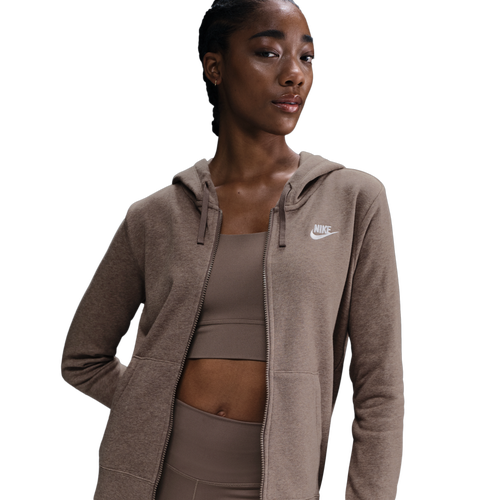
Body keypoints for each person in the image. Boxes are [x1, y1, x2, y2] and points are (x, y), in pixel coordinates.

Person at [59, 0, 404, 499]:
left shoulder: (353, 199)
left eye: (307, 57)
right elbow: (82, 357)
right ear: (215, 66)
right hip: (152, 483)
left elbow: (381, 390)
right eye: (268, 52)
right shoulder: (155, 216)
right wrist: (154, 409)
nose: (294, 74)